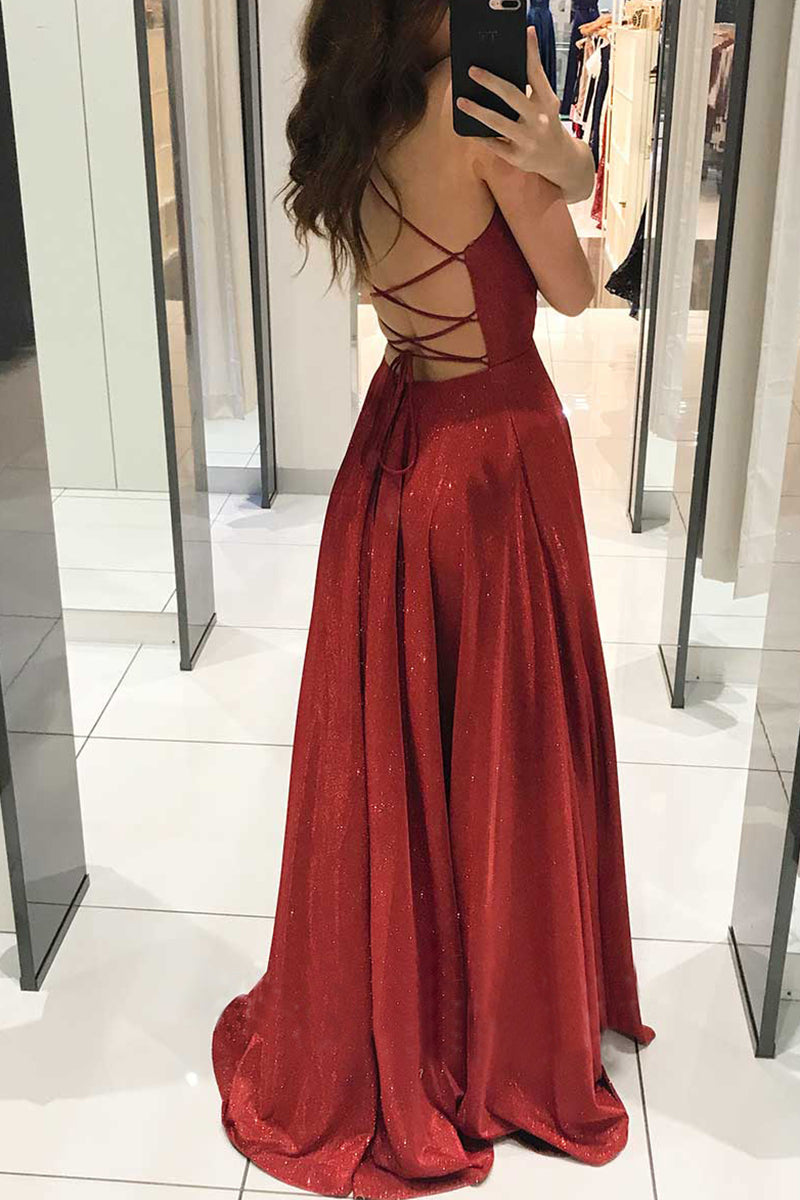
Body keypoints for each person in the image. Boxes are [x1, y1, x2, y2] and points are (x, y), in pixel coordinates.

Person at [212, 5, 654, 1197]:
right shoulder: (482, 88)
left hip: (400, 440)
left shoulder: (347, 94)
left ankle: (418, 999)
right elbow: (574, 291)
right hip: (495, 454)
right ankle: (500, 1028)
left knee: (404, 750)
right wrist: (576, 175)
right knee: (507, 745)